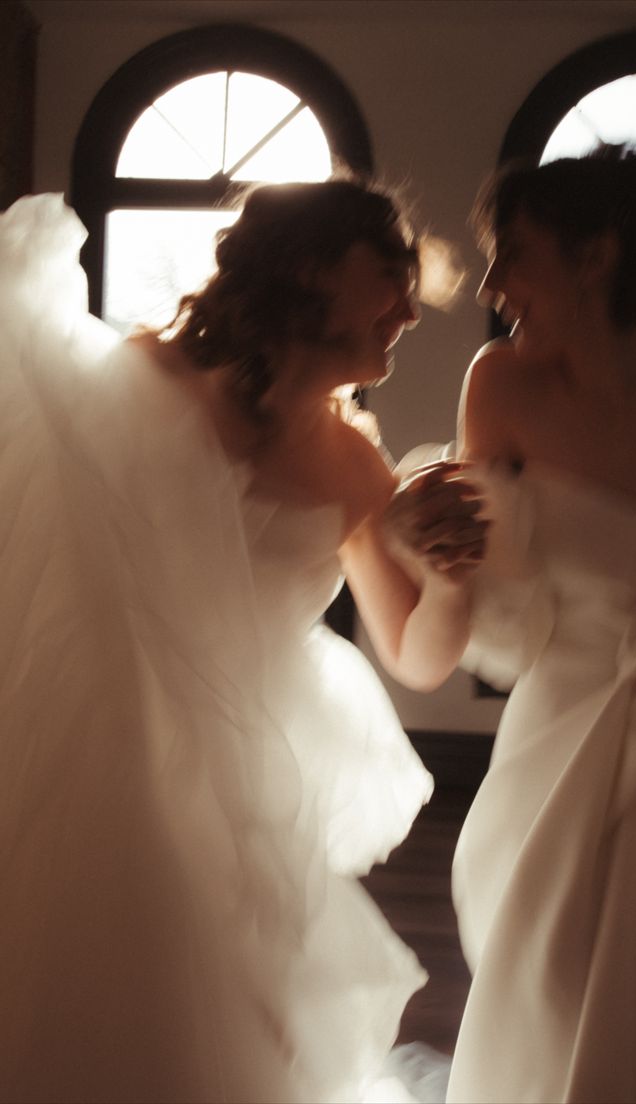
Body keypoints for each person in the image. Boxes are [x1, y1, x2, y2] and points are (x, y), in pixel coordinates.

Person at [0, 177, 444, 1104]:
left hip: (248, 793)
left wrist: (448, 567)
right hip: (95, 753)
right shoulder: (137, 381)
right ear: (304, 270)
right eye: (388, 279)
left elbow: (417, 656)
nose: (409, 307)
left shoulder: (358, 465)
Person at [377, 145, 636, 1103]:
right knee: (548, 973)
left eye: (514, 254)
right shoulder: (499, 385)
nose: (493, 284)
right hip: (558, 727)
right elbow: (485, 578)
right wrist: (427, 522)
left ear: (597, 257)